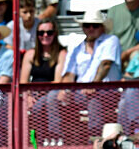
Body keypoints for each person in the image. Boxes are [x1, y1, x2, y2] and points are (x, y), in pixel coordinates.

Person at [45, 10, 121, 140]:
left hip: (106, 91)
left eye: (95, 25)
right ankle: (56, 137)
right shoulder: (77, 48)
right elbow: (69, 74)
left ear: (102, 27)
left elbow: (106, 65)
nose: (90, 28)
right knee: (53, 96)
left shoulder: (111, 40)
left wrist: (93, 85)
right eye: (87, 25)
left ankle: (94, 139)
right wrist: (64, 90)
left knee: (94, 99)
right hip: (81, 92)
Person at [20, 18, 67, 83]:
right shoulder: (30, 54)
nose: (45, 35)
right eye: (41, 33)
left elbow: (57, 82)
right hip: (33, 91)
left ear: (55, 34)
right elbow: (23, 82)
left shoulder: (61, 54)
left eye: (49, 32)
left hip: (53, 91)